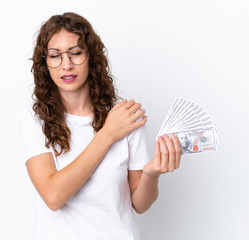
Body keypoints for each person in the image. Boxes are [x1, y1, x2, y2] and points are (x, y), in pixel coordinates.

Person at [18, 12, 182, 240]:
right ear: (45, 63)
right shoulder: (36, 119)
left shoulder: (123, 116)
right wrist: (108, 134)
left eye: (76, 53)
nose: (66, 65)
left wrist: (152, 174)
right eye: (55, 56)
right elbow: (53, 196)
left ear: (91, 57)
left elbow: (140, 204)